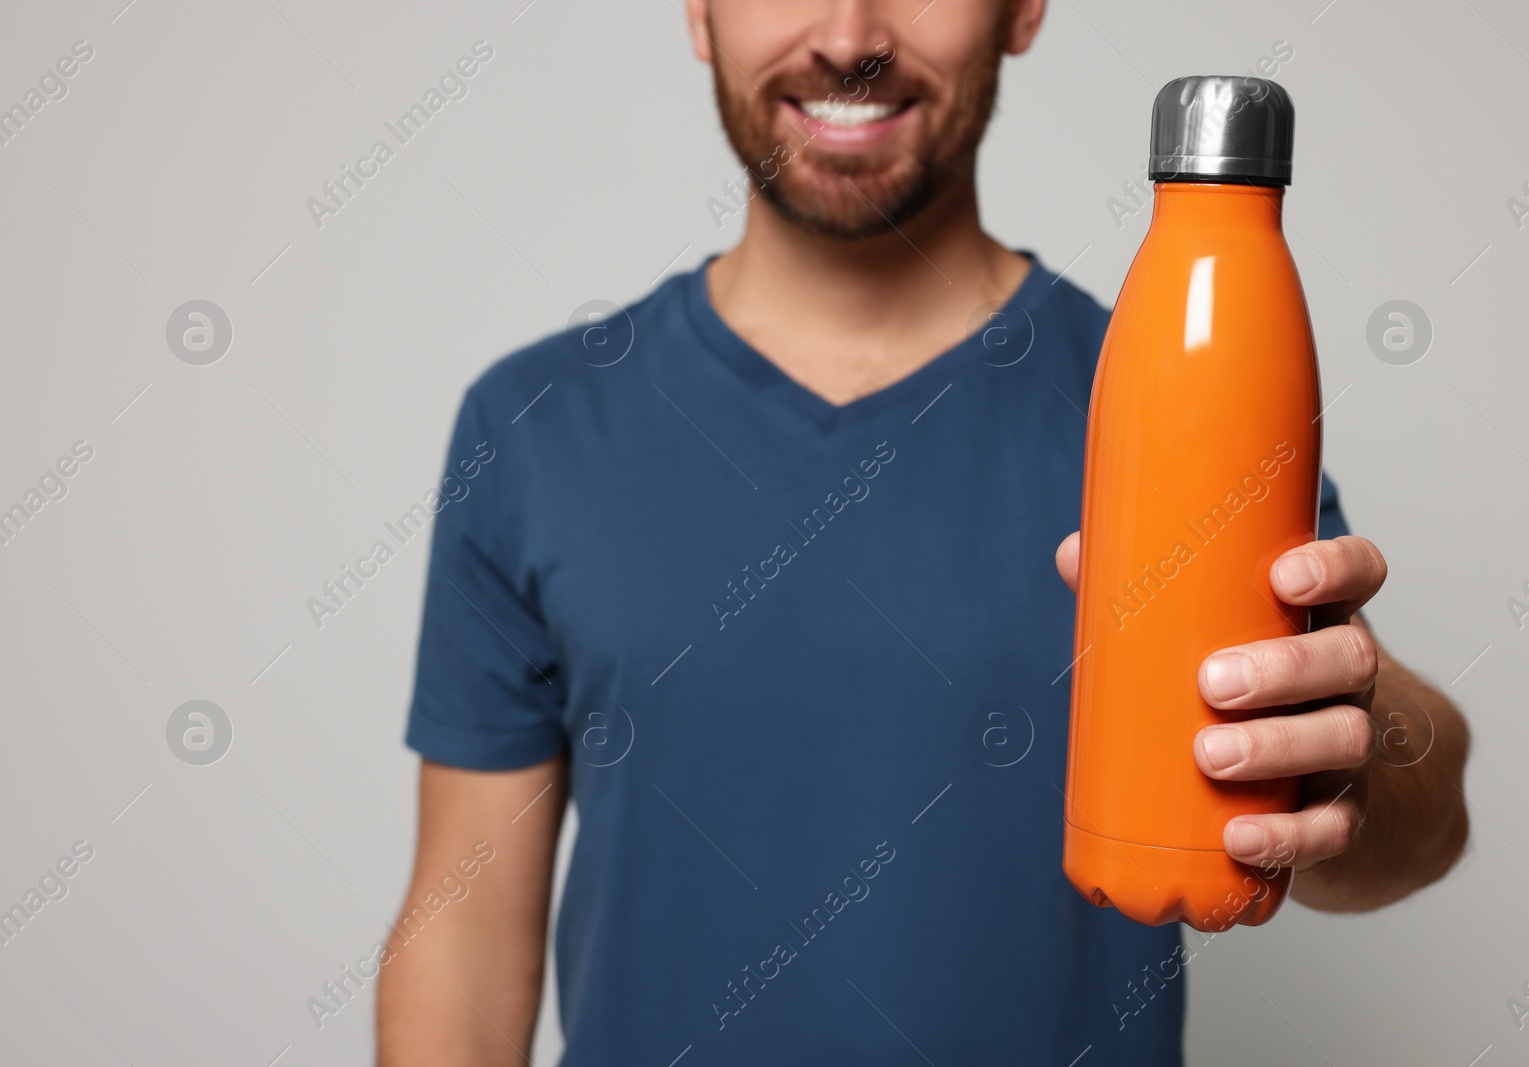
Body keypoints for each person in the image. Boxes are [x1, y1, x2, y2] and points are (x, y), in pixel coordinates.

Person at [375, 1, 1471, 1063]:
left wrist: (1354, 748)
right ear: (698, 9)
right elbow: (461, 928)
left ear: (1023, 9)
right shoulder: (534, 428)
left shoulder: (1172, 395)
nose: (850, 37)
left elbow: (1421, 824)